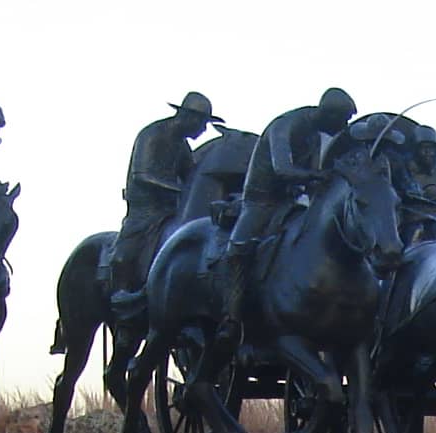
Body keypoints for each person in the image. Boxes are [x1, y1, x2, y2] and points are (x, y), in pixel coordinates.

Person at [223, 87, 356, 308]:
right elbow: (282, 169)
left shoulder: (316, 134)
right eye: (342, 121)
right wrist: (318, 175)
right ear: (328, 114)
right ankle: (231, 311)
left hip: (292, 200)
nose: (343, 128)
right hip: (261, 201)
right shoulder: (286, 125)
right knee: (238, 247)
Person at [110, 90, 216, 301]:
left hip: (172, 209)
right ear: (188, 117)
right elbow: (142, 175)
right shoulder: (152, 135)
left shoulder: (183, 146)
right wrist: (181, 191)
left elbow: (190, 175)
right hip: (145, 209)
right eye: (202, 122)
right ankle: (120, 293)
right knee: (125, 253)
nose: (204, 129)